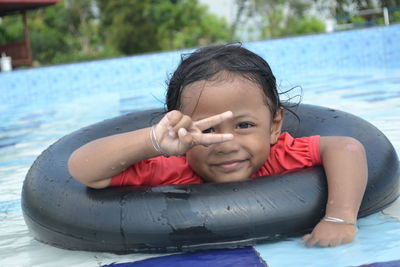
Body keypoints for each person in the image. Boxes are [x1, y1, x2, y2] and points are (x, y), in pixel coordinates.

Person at [68, 44, 367, 248]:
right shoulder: (171, 167)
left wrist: (339, 218)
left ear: (275, 126)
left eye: (244, 125)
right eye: (207, 130)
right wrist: (152, 142)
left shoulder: (282, 154)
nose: (227, 143)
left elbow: (347, 149)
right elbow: (83, 169)